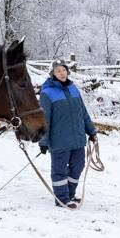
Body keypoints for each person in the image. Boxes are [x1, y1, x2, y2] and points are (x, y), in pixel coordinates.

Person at [38, 60, 97, 209]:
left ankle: (70, 194)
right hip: (59, 140)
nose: (62, 73)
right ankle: (62, 198)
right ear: (53, 74)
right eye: (58, 71)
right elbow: (45, 120)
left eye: (63, 70)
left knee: (78, 166)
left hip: (77, 139)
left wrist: (91, 131)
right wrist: (43, 141)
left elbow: (83, 112)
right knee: (59, 171)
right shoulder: (47, 93)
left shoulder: (73, 89)